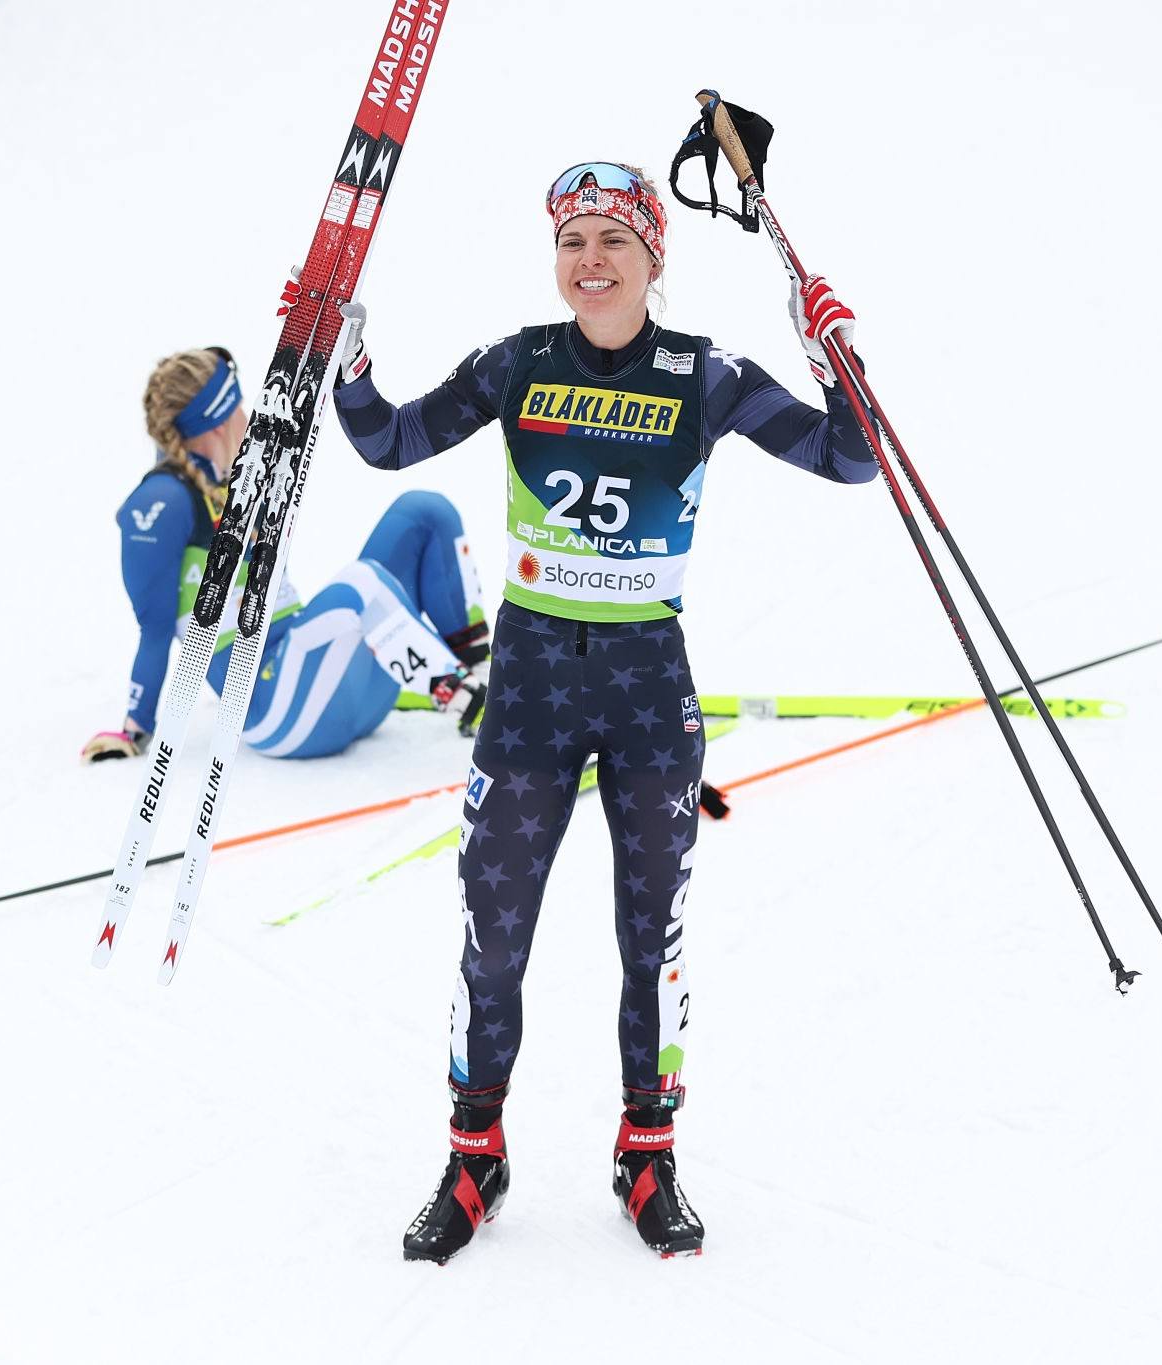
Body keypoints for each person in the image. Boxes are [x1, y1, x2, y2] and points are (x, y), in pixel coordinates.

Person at [328, 163, 878, 1261]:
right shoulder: (517, 363)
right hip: (531, 684)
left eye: (611, 241)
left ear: (651, 258)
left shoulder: (704, 374)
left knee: (650, 939)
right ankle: (472, 1155)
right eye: (571, 240)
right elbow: (390, 441)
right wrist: (341, 364)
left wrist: (839, 362)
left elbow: (848, 456)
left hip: (642, 693)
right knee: (494, 935)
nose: (589, 260)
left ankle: (646, 1155)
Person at [80, 345, 491, 765]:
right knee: (360, 583)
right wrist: (134, 728)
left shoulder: (240, 474)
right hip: (274, 709)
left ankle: (480, 673)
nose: (248, 418)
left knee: (423, 511)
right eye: (238, 407)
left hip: (336, 688)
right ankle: (471, 701)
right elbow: (153, 627)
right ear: (218, 422)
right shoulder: (163, 501)